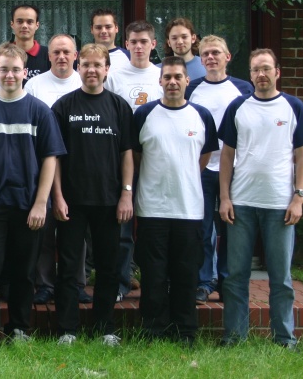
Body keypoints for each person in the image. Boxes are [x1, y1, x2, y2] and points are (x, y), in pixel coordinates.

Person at [0, 42, 65, 347]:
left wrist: (41, 203)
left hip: (27, 204)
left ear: (25, 72)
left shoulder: (39, 111)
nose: (9, 75)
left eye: (15, 70)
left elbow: (50, 159)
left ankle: (19, 328)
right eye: (4, 69)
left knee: (24, 271)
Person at [219, 48, 303, 350]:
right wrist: (225, 197)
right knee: (236, 276)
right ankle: (234, 338)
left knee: (280, 277)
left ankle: (284, 338)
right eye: (255, 70)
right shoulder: (238, 107)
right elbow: (227, 155)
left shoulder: (293, 107)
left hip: (280, 206)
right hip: (241, 203)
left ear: (277, 72)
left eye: (266, 69)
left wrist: (298, 198)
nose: (261, 74)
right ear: (250, 75)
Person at [52, 43, 133, 346]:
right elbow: (54, 157)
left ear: (107, 69)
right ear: (78, 67)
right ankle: (67, 329)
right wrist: (57, 196)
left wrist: (126, 194)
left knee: (108, 267)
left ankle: (105, 328)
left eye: (98, 65)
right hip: (72, 201)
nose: (91, 70)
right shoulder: (63, 106)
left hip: (109, 201)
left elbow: (127, 154)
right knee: (68, 268)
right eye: (86, 64)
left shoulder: (119, 107)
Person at [133, 56, 218, 344]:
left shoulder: (201, 116)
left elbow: (204, 156)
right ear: (160, 81)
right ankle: (153, 330)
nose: (172, 82)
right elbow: (136, 156)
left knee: (186, 274)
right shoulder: (144, 114)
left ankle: (185, 331)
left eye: (177, 77)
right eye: (167, 77)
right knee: (153, 274)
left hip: (189, 209)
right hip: (151, 208)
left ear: (187, 81)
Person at [185, 35, 253, 304]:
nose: (211, 57)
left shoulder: (243, 89)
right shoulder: (192, 88)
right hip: (201, 168)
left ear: (228, 57)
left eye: (216, 52)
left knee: (231, 228)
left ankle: (227, 281)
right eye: (206, 54)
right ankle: (203, 282)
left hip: (235, 169)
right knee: (202, 228)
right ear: (200, 60)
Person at [104, 19, 163, 302]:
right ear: (126, 44)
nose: (138, 47)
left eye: (144, 42)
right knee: (123, 226)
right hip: (123, 159)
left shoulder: (162, 76)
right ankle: (120, 282)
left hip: (156, 162)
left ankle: (156, 282)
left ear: (154, 44)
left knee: (154, 226)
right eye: (133, 42)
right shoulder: (115, 76)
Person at [24, 34, 84, 305]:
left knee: (76, 232)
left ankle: (76, 283)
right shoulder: (35, 85)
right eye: (56, 52)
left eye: (66, 52)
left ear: (75, 56)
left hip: (77, 167)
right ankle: (45, 284)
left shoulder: (83, 82)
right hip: (43, 166)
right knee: (44, 229)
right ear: (48, 56)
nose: (61, 56)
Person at [11, 4, 50, 83]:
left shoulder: (49, 55)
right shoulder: (1, 56)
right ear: (12, 24)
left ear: (37, 25)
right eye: (20, 21)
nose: (24, 26)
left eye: (29, 22)